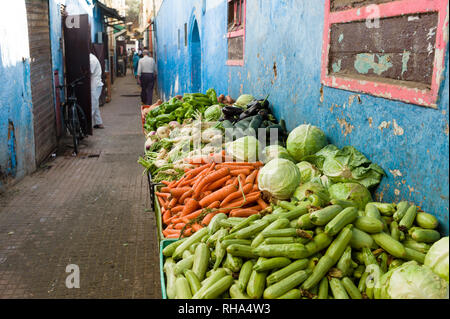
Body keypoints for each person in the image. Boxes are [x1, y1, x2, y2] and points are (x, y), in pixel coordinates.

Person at [89, 52, 104, 129]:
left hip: (95, 85)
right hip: (95, 84)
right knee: (95, 104)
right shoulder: (92, 58)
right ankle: (99, 122)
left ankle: (88, 124)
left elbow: (89, 72)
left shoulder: (92, 60)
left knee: (93, 105)